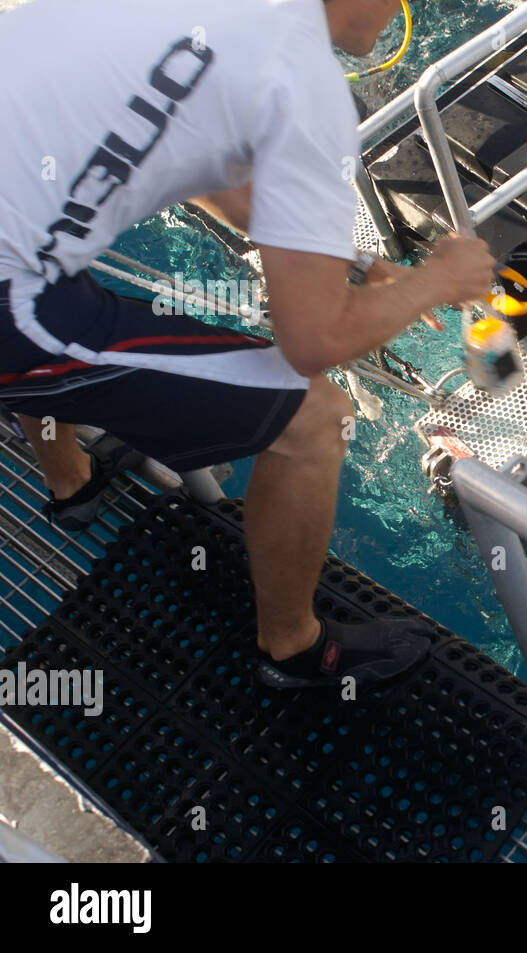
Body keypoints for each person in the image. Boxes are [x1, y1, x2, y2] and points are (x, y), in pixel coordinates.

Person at [0, 0, 496, 688]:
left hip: (17, 230)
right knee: (313, 417)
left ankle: (71, 485)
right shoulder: (306, 86)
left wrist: (340, 255)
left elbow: (191, 150)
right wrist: (436, 280)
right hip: (11, 301)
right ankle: (292, 647)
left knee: (50, 240)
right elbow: (312, 343)